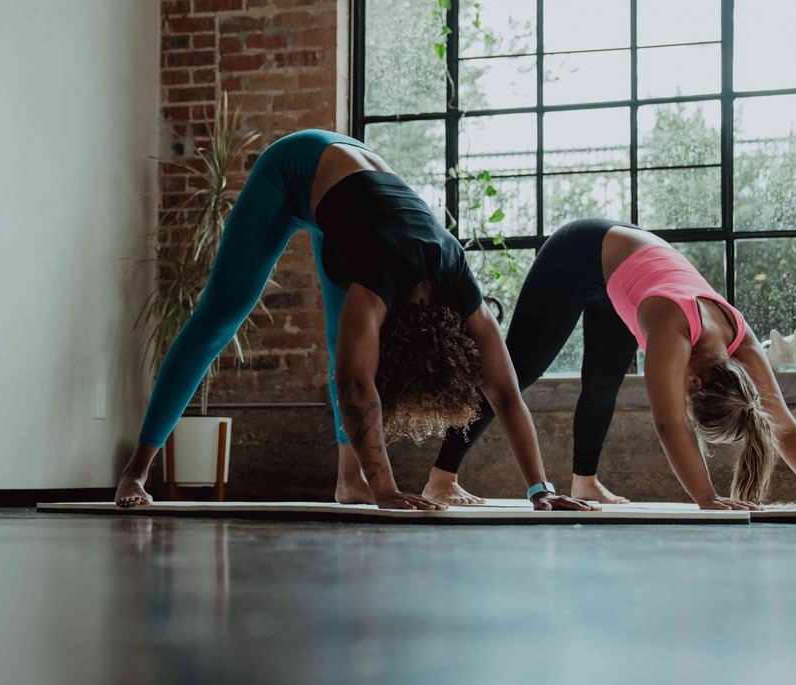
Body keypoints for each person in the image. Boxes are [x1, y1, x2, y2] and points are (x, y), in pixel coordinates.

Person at [114, 130, 596, 513]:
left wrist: (541, 489)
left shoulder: (456, 278)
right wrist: (387, 489)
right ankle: (136, 471)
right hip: (295, 167)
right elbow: (355, 383)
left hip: (354, 180)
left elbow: (505, 394)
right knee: (218, 318)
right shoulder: (378, 278)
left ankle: (350, 480)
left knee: (338, 337)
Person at [426, 218, 796, 511]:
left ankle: (585, 483)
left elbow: (782, 426)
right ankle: (441, 479)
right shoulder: (672, 329)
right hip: (580, 253)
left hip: (627, 273)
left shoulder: (741, 340)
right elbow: (670, 425)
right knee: (515, 373)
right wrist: (707, 499)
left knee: (604, 383)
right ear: (695, 383)